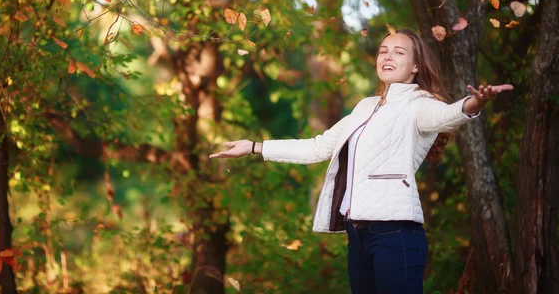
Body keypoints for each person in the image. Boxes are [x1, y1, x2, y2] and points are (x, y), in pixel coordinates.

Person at [209, 29, 513, 293]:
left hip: (396, 236)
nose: (387, 56)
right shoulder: (365, 107)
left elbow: (446, 116)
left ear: (416, 66)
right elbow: (317, 148)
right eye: (383, 51)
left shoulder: (419, 104)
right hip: (359, 237)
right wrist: (254, 147)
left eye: (399, 52)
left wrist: (475, 102)